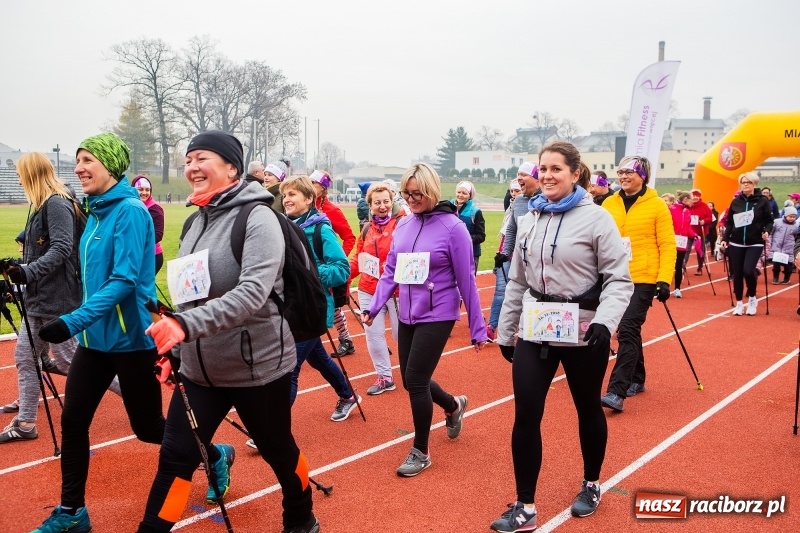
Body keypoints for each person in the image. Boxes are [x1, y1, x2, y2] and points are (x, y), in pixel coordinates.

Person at [138, 131, 320, 533]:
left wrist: (183, 327)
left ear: (232, 167)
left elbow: (252, 293)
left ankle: (301, 515)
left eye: (202, 158)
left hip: (257, 368)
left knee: (277, 450)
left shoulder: (258, 218)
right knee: (176, 458)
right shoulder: (193, 222)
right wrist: (176, 352)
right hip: (199, 371)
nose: (192, 167)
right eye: (188, 160)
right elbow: (190, 296)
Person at [491, 141, 632, 531]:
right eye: (543, 168)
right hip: (536, 327)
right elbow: (517, 280)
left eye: (556, 168)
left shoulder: (597, 219)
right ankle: (525, 506)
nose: (548, 175)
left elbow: (619, 279)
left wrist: (605, 322)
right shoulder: (530, 217)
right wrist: (507, 330)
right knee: (526, 413)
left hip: (584, 331)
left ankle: (591, 483)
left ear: (575, 173)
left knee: (587, 408)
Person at [29, 133, 166, 533]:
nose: (79, 168)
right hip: (94, 342)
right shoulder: (96, 212)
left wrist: (72, 321)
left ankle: (214, 453)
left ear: (111, 165)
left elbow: (124, 280)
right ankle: (72, 511)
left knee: (149, 429)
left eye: (88, 160)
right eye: (77, 161)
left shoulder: (131, 212)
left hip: (131, 340)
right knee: (73, 421)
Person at [362, 162, 487, 477]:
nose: (411, 199)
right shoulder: (404, 225)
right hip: (407, 311)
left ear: (432, 190)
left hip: (438, 313)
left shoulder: (454, 228)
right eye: (406, 193)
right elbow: (391, 271)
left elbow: (467, 281)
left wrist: (477, 327)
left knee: (416, 380)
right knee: (409, 379)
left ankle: (421, 451)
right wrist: (374, 307)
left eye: (417, 193)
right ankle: (453, 405)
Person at [0, 153, 81, 445]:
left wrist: (27, 272)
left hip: (57, 298)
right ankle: (26, 422)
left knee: (71, 362)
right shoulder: (40, 204)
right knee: (25, 356)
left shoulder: (56, 203)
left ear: (32, 173)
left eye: (21, 173)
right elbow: (36, 252)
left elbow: (62, 248)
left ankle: (134, 391)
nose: (18, 178)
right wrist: (15, 273)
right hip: (37, 297)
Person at [279, 175, 361, 420]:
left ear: (308, 198)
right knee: (319, 359)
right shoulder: (282, 227)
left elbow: (342, 269)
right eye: (284, 195)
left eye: (292, 194)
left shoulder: (321, 229)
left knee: (289, 369)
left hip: (313, 308)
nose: (286, 200)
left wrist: (310, 271)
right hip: (290, 307)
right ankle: (348, 395)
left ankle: (272, 430)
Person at [600, 155, 676, 413]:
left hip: (643, 277)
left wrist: (664, 279)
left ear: (642, 176)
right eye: (620, 172)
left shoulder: (657, 205)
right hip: (613, 275)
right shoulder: (609, 202)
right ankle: (638, 377)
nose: (623, 177)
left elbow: (667, 244)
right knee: (629, 330)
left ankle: (616, 391)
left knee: (627, 329)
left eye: (629, 172)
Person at [349, 182, 405, 395]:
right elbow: (358, 258)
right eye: (377, 202)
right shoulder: (366, 229)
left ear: (392, 202)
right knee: (373, 334)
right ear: (370, 205)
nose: (382, 206)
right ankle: (385, 377)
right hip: (368, 290)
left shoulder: (402, 224)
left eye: (386, 201)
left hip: (396, 291)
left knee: (402, 336)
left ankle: (414, 371)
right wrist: (344, 280)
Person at [309, 169, 357, 357]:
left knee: (333, 306)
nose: (310, 186)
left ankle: (346, 339)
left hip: (325, 269)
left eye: (314, 183)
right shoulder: (304, 206)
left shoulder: (332, 210)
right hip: (308, 265)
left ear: (323, 188)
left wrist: (335, 260)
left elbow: (349, 237)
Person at [719, 172, 774, 316]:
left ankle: (752, 298)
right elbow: (729, 222)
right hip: (736, 242)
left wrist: (766, 231)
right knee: (737, 274)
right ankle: (739, 303)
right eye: (743, 182)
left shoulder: (762, 201)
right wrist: (725, 238)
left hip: (755, 242)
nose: (745, 185)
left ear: (754, 184)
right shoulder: (736, 202)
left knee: (749, 271)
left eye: (748, 182)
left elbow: (769, 221)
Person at [487, 179, 522, 341]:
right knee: (500, 291)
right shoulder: (510, 208)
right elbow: (506, 234)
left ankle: (520, 328)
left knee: (521, 293)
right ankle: (491, 327)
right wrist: (500, 251)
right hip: (506, 255)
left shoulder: (531, 208)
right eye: (512, 191)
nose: (514, 194)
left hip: (522, 258)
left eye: (517, 190)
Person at [495, 162, 540, 282]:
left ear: (537, 179)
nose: (519, 178)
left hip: (540, 263)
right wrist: (505, 253)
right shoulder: (518, 200)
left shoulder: (548, 200)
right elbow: (511, 229)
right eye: (518, 174)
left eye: (524, 175)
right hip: (519, 259)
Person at [131, 176, 165, 273]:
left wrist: (136, 242)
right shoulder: (132, 205)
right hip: (136, 254)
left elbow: (158, 234)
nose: (144, 193)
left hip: (152, 256)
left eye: (147, 190)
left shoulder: (155, 209)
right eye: (140, 189)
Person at [451, 180, 486, 274]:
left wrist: (465, 239)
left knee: (468, 280)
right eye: (459, 192)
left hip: (470, 253)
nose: (460, 195)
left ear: (470, 195)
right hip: (451, 252)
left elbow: (481, 236)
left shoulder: (475, 212)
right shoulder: (448, 207)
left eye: (464, 193)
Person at [670, 192, 695, 298]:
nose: (693, 202)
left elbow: (688, 228)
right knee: (667, 265)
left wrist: (694, 235)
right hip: (670, 241)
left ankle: (677, 289)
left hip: (682, 242)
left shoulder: (687, 211)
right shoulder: (672, 209)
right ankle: (660, 287)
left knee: (679, 266)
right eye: (691, 200)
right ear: (685, 199)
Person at [769, 206, 798, 284]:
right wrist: (770, 242)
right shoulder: (776, 222)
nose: (792, 218)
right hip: (777, 247)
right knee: (776, 265)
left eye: (794, 217)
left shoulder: (796, 226)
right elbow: (771, 233)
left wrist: (793, 245)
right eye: (790, 216)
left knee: (788, 266)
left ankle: (787, 278)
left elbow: (795, 236)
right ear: (785, 215)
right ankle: (775, 277)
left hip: (788, 249)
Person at [686, 189, 712, 275]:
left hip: (700, 232)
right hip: (689, 232)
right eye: (693, 195)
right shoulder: (687, 205)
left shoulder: (704, 206)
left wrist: (704, 221)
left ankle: (700, 267)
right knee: (686, 249)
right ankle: (682, 267)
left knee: (700, 250)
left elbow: (710, 218)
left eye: (697, 195)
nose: (695, 197)